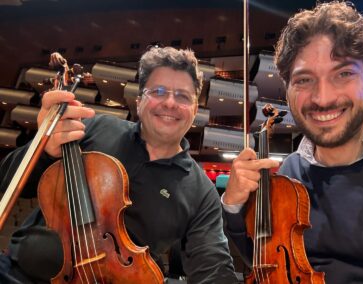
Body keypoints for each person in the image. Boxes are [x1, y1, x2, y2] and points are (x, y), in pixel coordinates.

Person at [0, 46, 238, 283]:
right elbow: (6, 180)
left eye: (183, 96)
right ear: (139, 100)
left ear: (195, 109)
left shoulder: (201, 192)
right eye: (158, 91)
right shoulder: (92, 128)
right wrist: (43, 150)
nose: (170, 103)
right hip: (18, 275)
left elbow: (214, 268)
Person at [222, 1, 363, 283]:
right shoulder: (291, 172)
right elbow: (267, 265)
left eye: (343, 74)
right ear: (288, 89)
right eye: (304, 80)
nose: (323, 98)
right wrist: (232, 205)